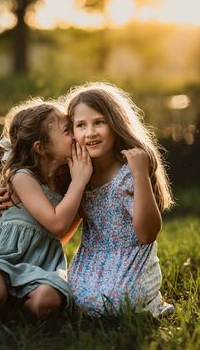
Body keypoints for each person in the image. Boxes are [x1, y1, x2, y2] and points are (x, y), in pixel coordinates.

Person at [0, 98, 92, 322]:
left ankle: (7, 314)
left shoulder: (67, 182)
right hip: (5, 257)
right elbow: (57, 223)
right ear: (41, 148)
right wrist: (79, 184)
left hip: (39, 265)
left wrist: (77, 187)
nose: (75, 135)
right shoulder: (22, 176)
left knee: (48, 301)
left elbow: (60, 235)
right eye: (67, 130)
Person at [63, 82, 175, 317]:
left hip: (131, 261)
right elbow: (60, 228)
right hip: (92, 261)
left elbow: (147, 234)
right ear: (71, 132)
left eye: (99, 122)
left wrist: (140, 175)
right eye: (81, 125)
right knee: (70, 298)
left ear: (115, 124)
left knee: (116, 302)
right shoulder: (78, 172)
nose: (90, 132)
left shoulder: (129, 172)